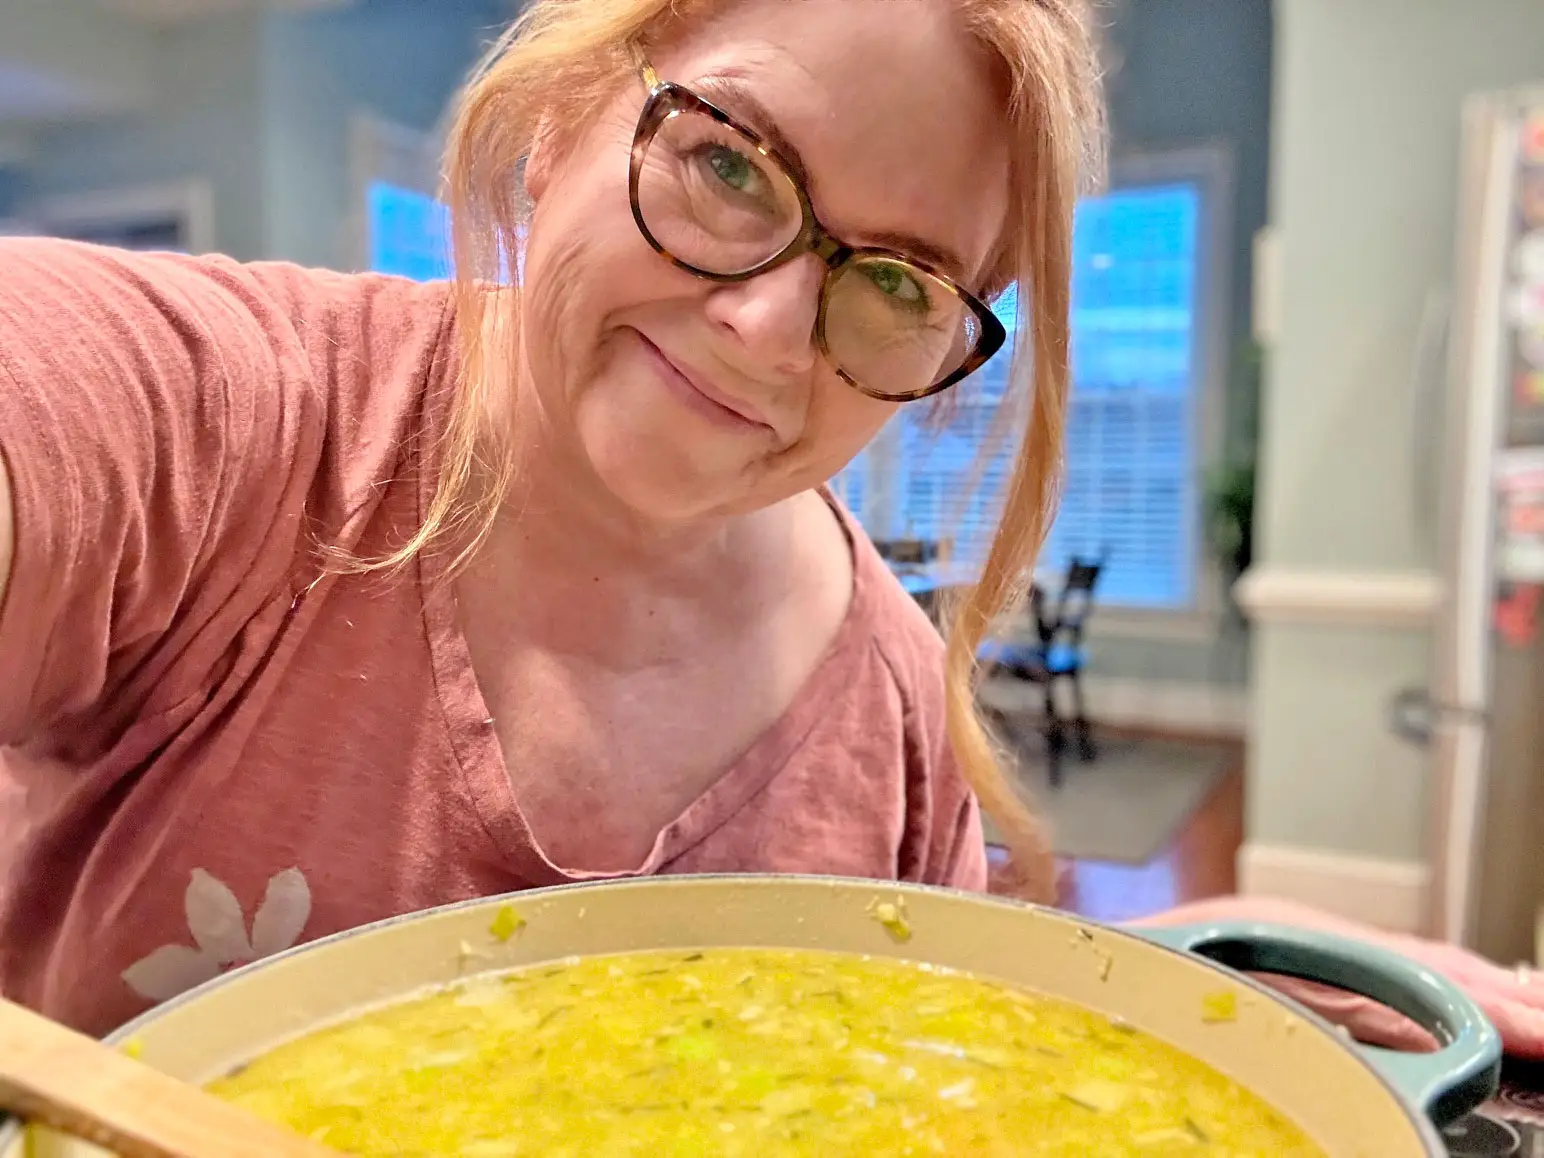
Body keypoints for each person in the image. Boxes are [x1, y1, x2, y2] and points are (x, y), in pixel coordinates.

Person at [0, 0, 1540, 1064]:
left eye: (896, 282)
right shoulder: (227, 421)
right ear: (560, 122)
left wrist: (1141, 986)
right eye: (730, 164)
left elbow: (883, 1058)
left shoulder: (880, 696)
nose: (760, 328)